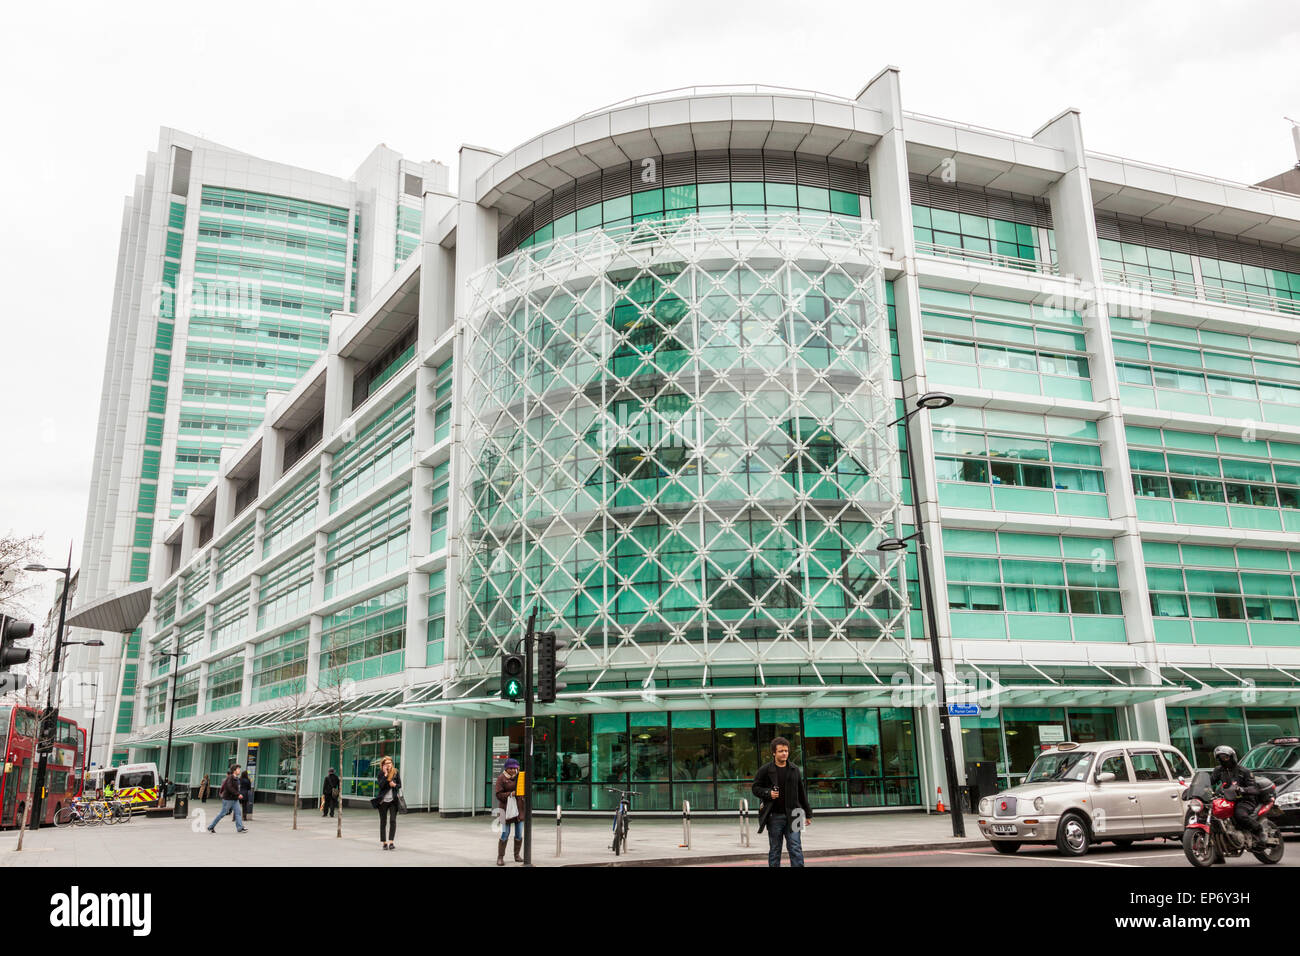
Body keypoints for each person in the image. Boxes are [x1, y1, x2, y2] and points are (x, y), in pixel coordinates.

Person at [752, 736, 813, 867]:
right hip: (774, 816)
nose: (784, 753)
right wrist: (768, 793)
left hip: (796, 814)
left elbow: (801, 792)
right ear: (774, 753)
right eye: (781, 751)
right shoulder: (765, 770)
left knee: (796, 848)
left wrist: (808, 813)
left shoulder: (794, 769)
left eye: (786, 750)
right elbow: (755, 788)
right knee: (775, 850)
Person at [1210, 744, 1275, 845]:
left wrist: (1242, 790)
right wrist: (1196, 789)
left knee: (1240, 815)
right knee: (1214, 815)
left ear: (1232, 757)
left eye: (1225, 757)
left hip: (1245, 800)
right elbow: (1210, 782)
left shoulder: (1244, 771)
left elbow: (1254, 789)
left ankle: (1259, 830)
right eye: (1220, 758)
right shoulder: (1218, 770)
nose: (1223, 760)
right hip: (1228, 799)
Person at [494, 757, 525, 865]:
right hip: (505, 810)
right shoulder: (501, 778)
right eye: (510, 768)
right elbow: (498, 795)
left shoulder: (520, 777)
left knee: (519, 835)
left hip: (519, 809)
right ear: (506, 768)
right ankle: (500, 857)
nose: (512, 770)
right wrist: (510, 794)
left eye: (515, 768)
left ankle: (517, 856)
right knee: (504, 834)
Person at [206, 766, 249, 834]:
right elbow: (229, 787)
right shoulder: (230, 778)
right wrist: (238, 794)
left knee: (238, 813)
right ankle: (211, 826)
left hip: (235, 799)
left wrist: (237, 795)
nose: (239, 771)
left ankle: (240, 828)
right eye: (238, 769)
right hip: (228, 799)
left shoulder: (236, 778)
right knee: (222, 814)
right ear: (234, 770)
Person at [372, 755, 402, 850]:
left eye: (390, 763)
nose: (388, 765)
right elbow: (381, 786)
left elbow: (400, 785)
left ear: (392, 764)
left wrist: (395, 785)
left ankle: (391, 842)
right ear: (383, 765)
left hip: (393, 801)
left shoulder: (396, 772)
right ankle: (384, 843)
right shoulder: (381, 773)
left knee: (393, 820)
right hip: (383, 801)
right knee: (383, 822)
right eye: (386, 764)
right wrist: (385, 775)